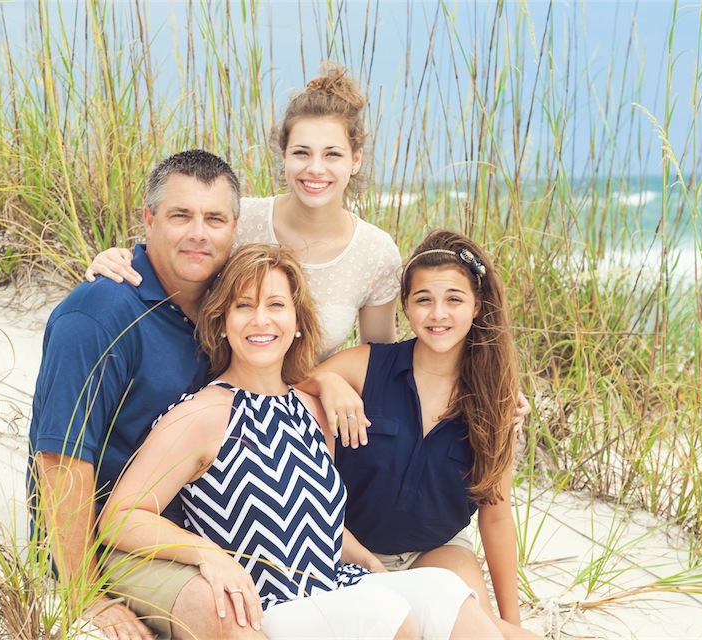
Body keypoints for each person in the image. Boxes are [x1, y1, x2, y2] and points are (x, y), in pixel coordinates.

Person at [98, 243, 504, 639]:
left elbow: (312, 521)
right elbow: (120, 515)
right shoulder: (204, 414)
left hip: (334, 588)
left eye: (276, 305)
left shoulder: (313, 411)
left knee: (443, 591)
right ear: (222, 322)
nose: (261, 320)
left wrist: (364, 560)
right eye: (243, 306)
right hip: (270, 609)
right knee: (383, 615)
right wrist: (205, 555)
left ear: (296, 324)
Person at [28, 150, 259, 640]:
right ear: (149, 220)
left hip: (189, 527)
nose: (199, 233)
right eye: (181, 216)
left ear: (235, 228)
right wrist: (84, 590)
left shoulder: (227, 305)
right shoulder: (99, 313)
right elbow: (62, 458)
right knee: (226, 614)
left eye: (214, 218)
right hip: (107, 539)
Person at [300, 230, 542, 639]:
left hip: (436, 553)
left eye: (454, 299)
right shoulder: (367, 367)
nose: (438, 314)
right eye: (423, 299)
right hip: (350, 555)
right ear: (406, 308)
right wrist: (327, 382)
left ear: (476, 306)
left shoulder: (496, 401)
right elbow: (287, 379)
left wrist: (511, 623)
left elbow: (496, 516)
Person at [85, 62, 401, 366]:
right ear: (284, 156)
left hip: (309, 408)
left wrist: (326, 381)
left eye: (332, 154)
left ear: (356, 160)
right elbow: (169, 262)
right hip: (212, 391)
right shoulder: (239, 219)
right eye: (301, 152)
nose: (315, 168)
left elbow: (377, 360)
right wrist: (116, 258)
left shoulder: (376, 251)